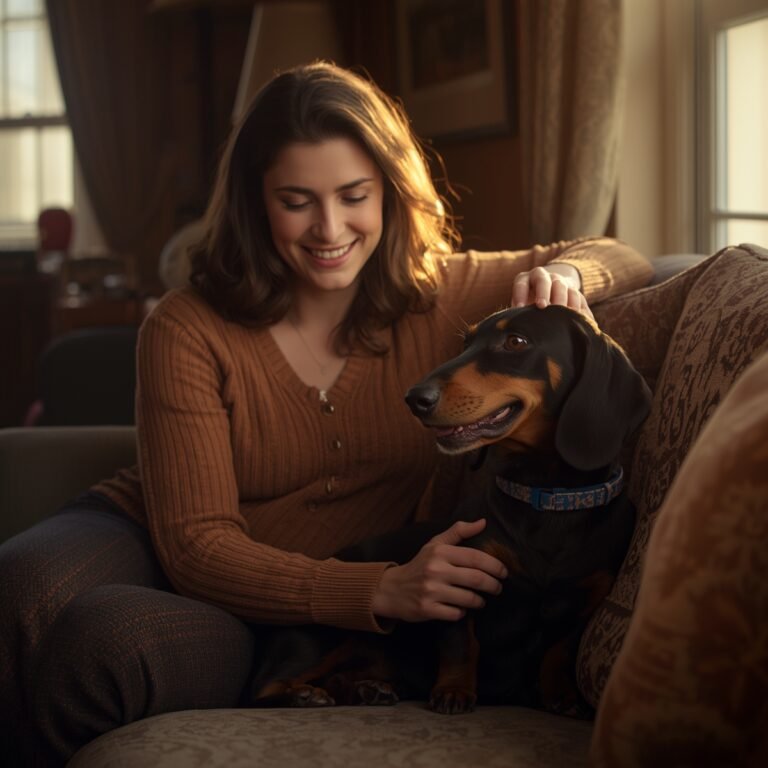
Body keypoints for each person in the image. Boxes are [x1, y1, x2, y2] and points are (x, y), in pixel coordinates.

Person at [0, 61, 653, 766]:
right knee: (22, 587)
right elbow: (194, 545)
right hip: (154, 535)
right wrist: (377, 587)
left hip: (269, 619)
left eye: (353, 195)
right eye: (296, 200)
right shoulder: (188, 326)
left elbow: (623, 255)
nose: (329, 228)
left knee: (98, 642)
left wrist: (565, 279)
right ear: (255, 203)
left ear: (390, 195)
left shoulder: (444, 296)